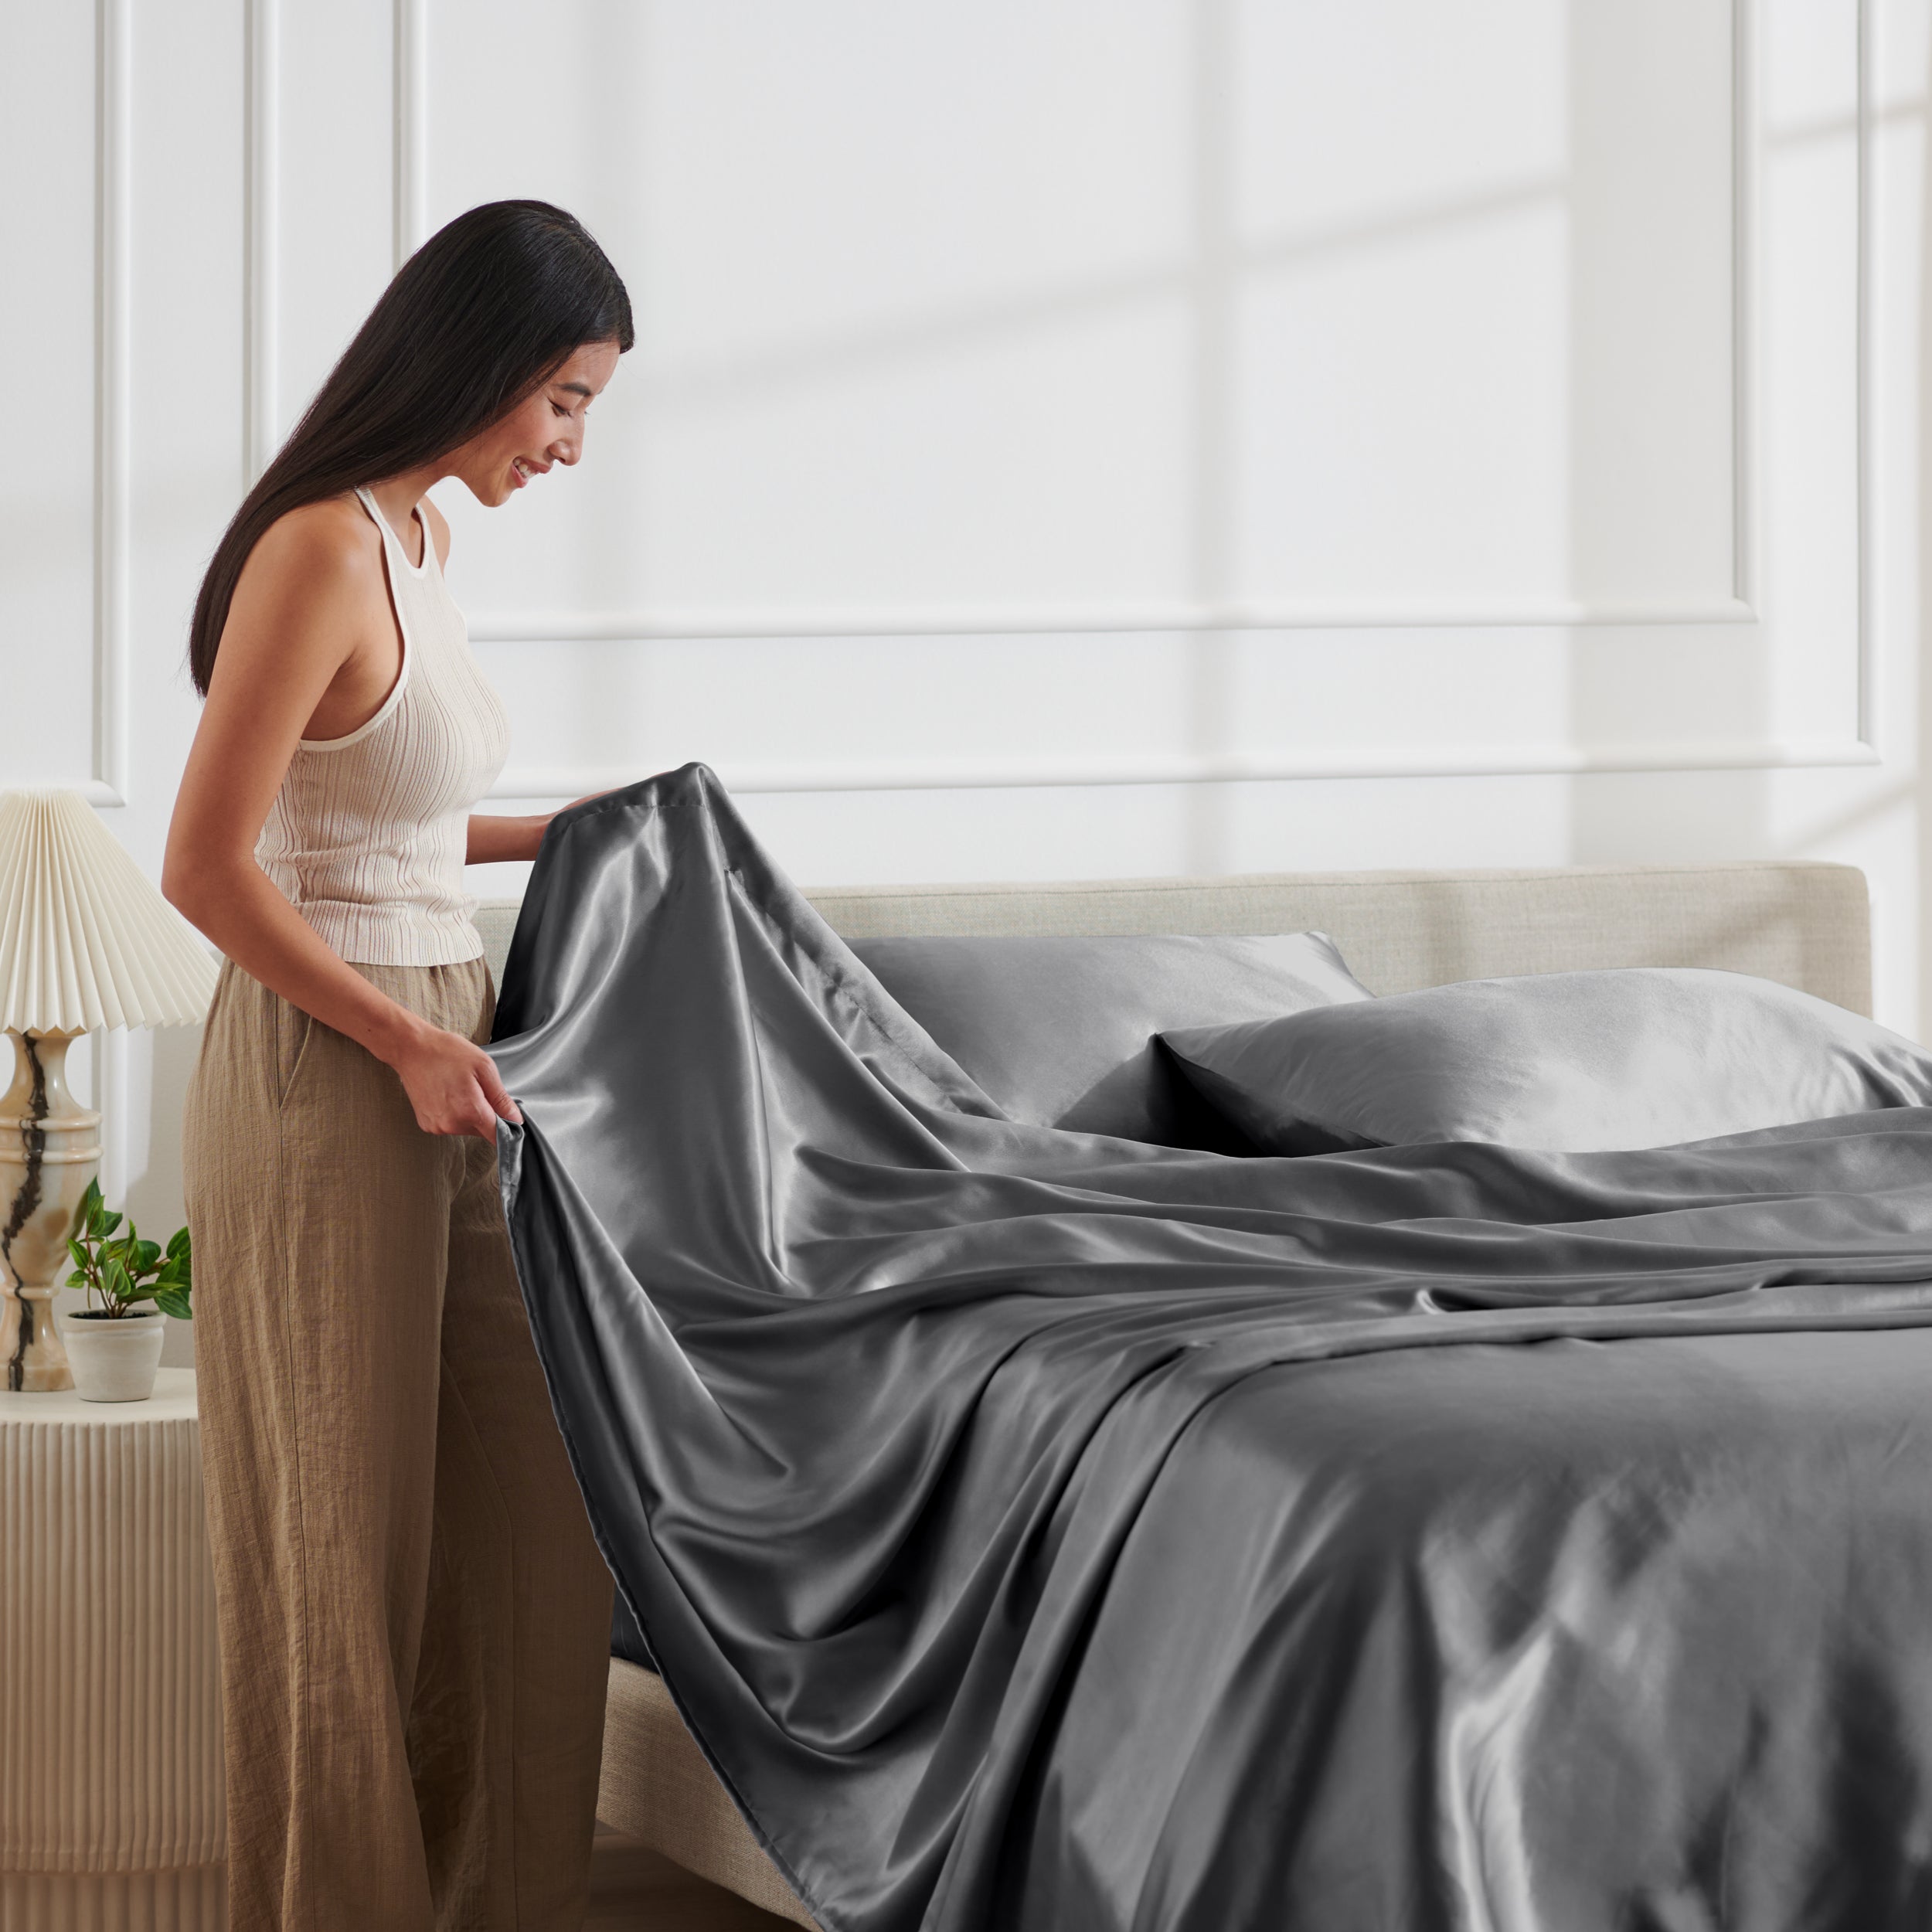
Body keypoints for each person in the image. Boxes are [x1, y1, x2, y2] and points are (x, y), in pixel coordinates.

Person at [164, 199, 630, 1930]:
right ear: (492, 358)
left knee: (526, 1525)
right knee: (338, 1561)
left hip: (449, 1031)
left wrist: (574, 825)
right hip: (329, 1058)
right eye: (565, 399)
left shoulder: (421, 541)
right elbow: (210, 866)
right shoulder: (316, 547)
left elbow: (393, 819)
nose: (570, 444)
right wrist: (400, 1036)